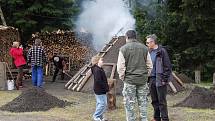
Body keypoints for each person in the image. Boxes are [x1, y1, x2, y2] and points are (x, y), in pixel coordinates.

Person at [117, 30, 153, 121]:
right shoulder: (145, 48)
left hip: (129, 81)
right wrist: (145, 76)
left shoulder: (123, 49)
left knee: (129, 104)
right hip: (142, 81)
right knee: (143, 103)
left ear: (127, 37)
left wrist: (123, 78)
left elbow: (120, 67)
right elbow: (150, 65)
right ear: (135, 37)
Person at [146, 34, 172, 121]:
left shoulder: (162, 51)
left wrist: (165, 79)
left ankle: (165, 118)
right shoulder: (149, 52)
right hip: (151, 79)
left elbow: (168, 66)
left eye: (148, 42)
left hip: (160, 79)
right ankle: (156, 118)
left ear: (153, 42)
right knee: (154, 100)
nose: (147, 44)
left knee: (162, 101)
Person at [91, 55, 109, 121]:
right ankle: (96, 116)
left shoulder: (98, 68)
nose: (102, 61)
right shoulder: (97, 70)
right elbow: (98, 81)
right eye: (101, 60)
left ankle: (100, 117)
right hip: (100, 89)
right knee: (103, 104)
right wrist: (105, 87)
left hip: (99, 89)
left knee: (100, 103)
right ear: (97, 61)